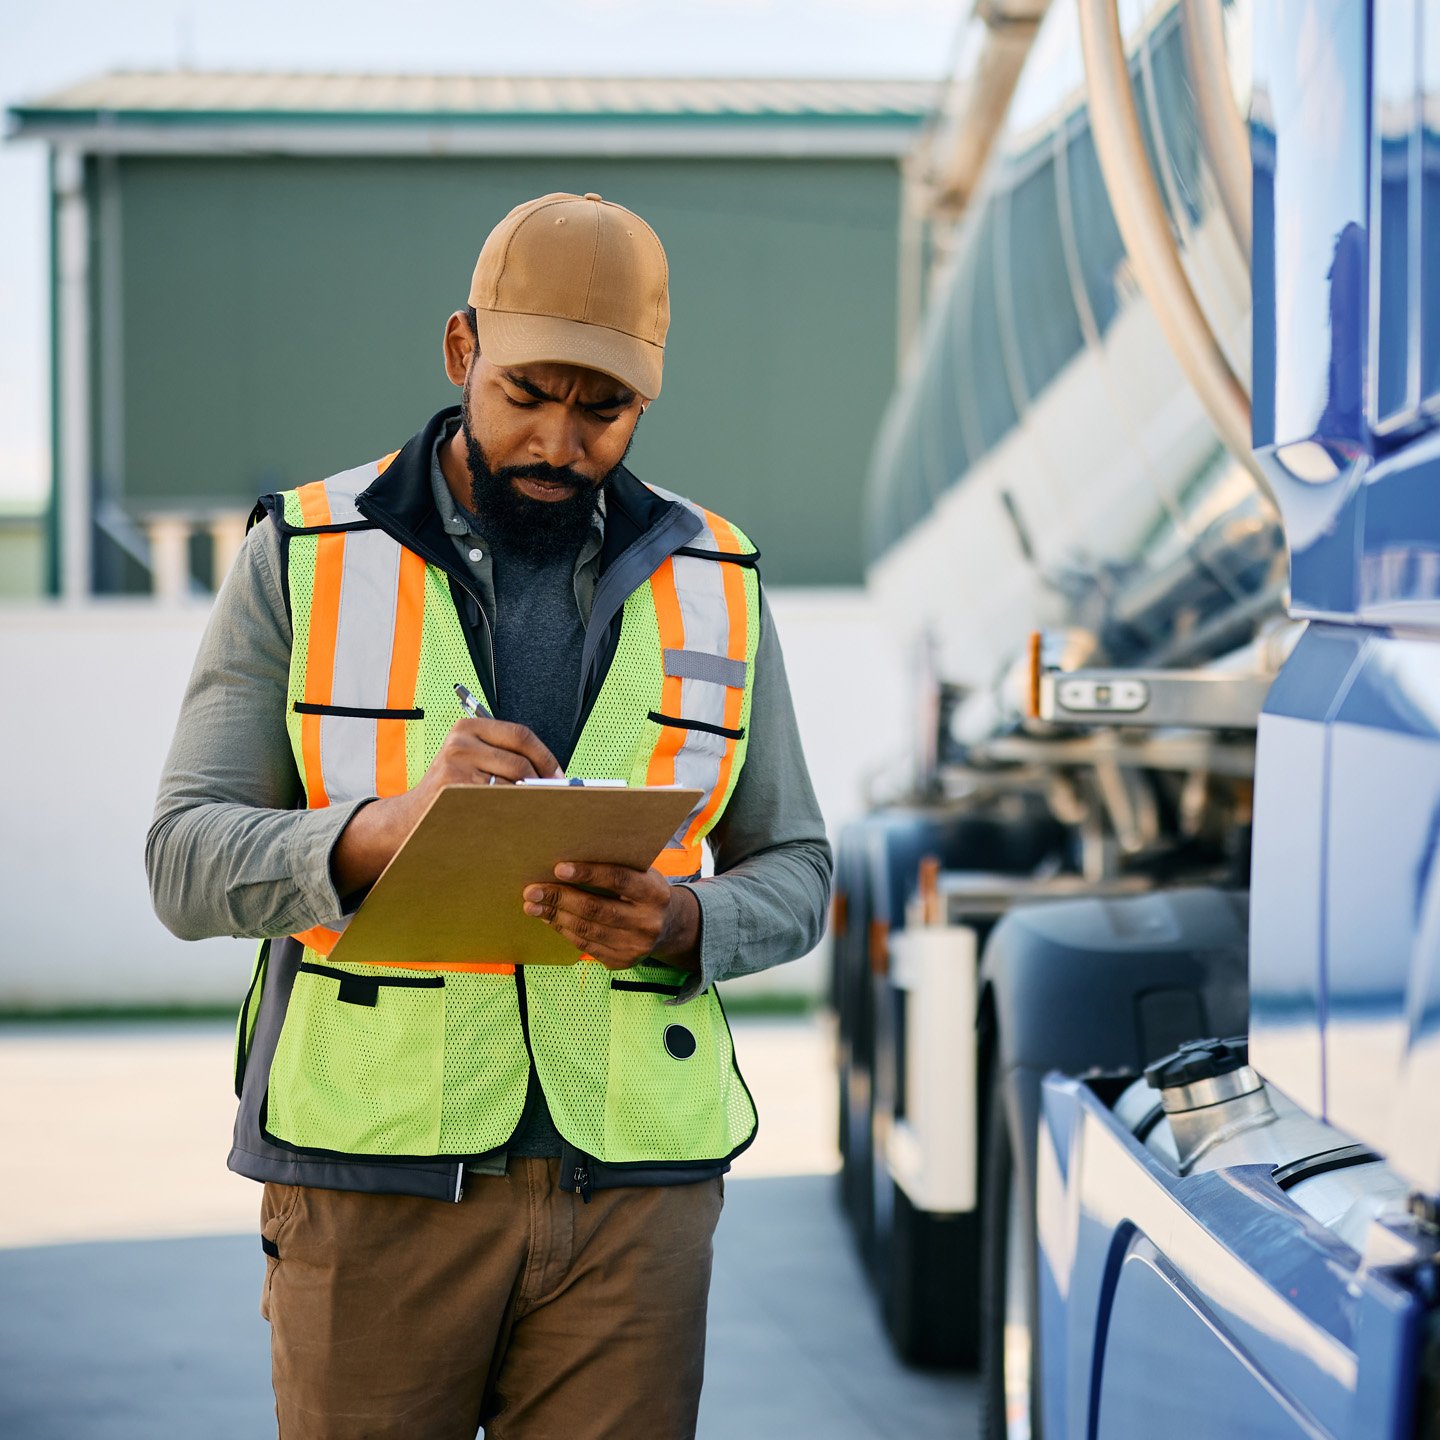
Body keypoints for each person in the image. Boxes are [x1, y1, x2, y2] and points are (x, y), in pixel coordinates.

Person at [146, 191, 832, 1439]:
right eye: (527, 394)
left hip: (636, 1191)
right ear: (463, 351)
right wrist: (378, 831)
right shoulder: (302, 553)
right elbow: (184, 860)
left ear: (648, 399)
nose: (560, 442)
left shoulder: (719, 578)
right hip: (372, 1183)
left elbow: (796, 866)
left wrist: (687, 920)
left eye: (602, 408)